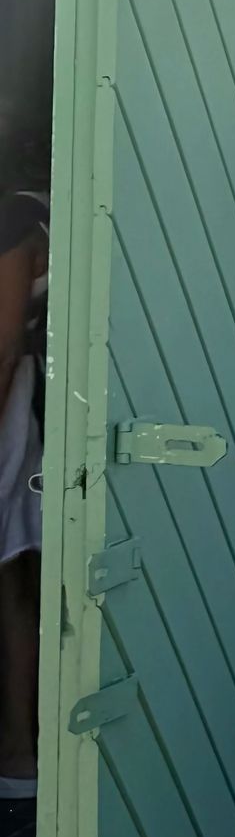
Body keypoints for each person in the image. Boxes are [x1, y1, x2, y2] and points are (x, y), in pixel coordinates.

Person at [0, 171, 48, 800]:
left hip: (20, 413)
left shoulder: (15, 219)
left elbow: (5, 344)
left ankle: (21, 750)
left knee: (14, 576)